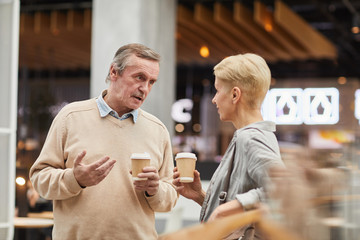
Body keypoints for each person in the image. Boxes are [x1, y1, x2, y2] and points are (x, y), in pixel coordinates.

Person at [29, 43, 178, 240]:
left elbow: (170, 198)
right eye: (139, 77)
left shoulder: (157, 130)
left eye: (151, 82)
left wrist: (155, 189)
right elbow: (40, 180)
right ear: (114, 72)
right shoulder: (71, 117)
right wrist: (75, 179)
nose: (144, 88)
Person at [173, 53, 284, 239]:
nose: (214, 99)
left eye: (217, 90)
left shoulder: (251, 139)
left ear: (235, 94)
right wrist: (200, 195)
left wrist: (230, 208)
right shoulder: (249, 136)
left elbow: (281, 190)